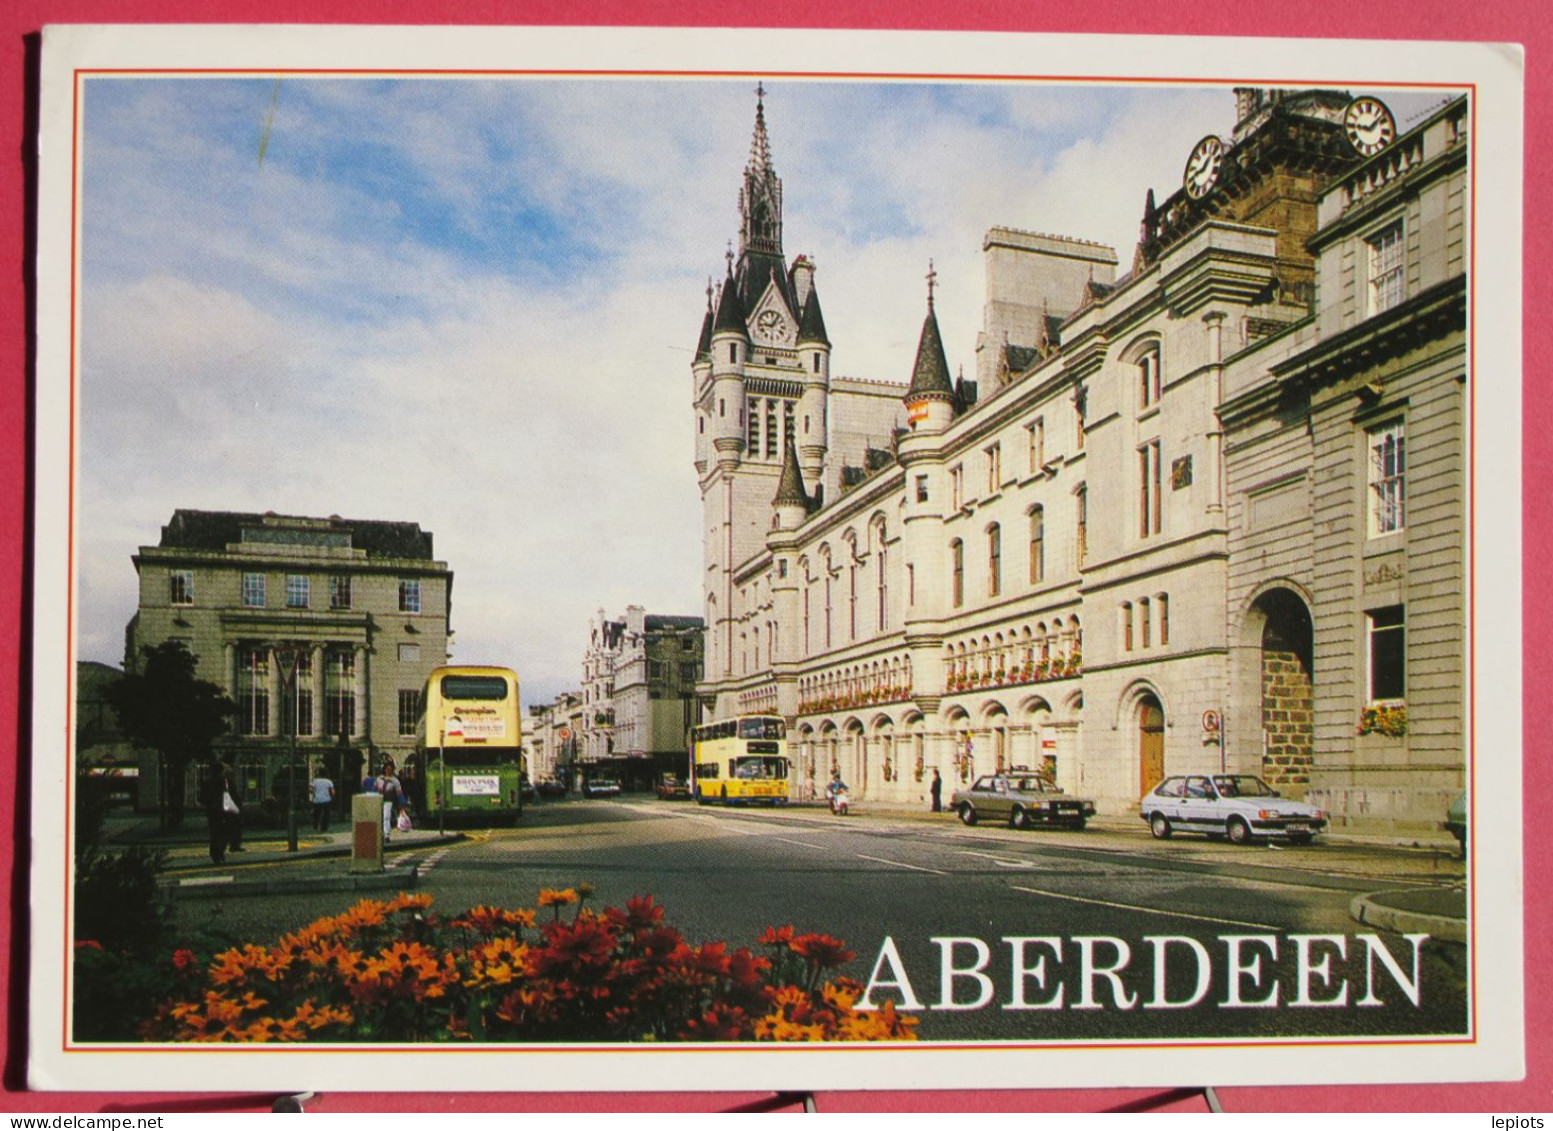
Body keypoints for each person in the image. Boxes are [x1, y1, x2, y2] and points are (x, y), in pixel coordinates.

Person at [311, 766, 336, 832]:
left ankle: (315, 825)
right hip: (326, 800)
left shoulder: (315, 781)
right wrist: (332, 798)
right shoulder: (329, 782)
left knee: (316, 814)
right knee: (326, 815)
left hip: (317, 800)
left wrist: (313, 796)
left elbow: (312, 790)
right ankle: (324, 828)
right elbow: (333, 792)